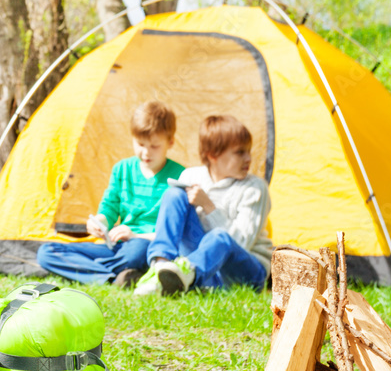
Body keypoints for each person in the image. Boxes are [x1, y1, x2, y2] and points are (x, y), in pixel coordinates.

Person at [37, 101, 186, 287]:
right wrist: (99, 223)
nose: (146, 152)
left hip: (147, 245)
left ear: (170, 142)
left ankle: (93, 272)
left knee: (137, 252)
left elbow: (176, 233)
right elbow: (109, 209)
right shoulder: (122, 169)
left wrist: (135, 236)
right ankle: (113, 277)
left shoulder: (180, 176)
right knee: (46, 252)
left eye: (154, 146)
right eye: (140, 144)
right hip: (117, 246)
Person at [133, 114, 272, 297]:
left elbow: (240, 243)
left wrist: (208, 206)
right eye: (239, 152)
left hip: (246, 271)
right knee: (174, 195)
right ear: (213, 155)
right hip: (203, 267)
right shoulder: (191, 177)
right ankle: (160, 268)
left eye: (248, 151)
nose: (248, 158)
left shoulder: (254, 188)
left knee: (219, 237)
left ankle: (185, 276)